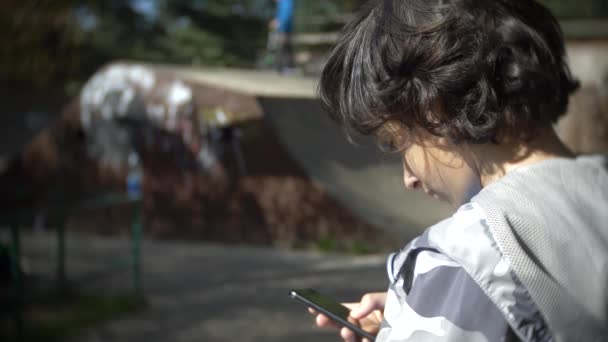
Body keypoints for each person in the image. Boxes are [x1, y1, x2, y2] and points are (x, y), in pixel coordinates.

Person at [311, 0, 608, 341]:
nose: (408, 178)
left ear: (432, 106)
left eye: (397, 143)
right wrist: (418, 309)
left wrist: (428, 307)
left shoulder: (469, 255)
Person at [269, 0, 295, 73]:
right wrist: (276, 20)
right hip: (283, 28)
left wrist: (279, 23)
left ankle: (286, 67)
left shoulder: (285, 2)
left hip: (284, 29)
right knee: (285, 47)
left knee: (283, 47)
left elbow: (286, 15)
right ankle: (284, 67)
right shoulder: (283, 3)